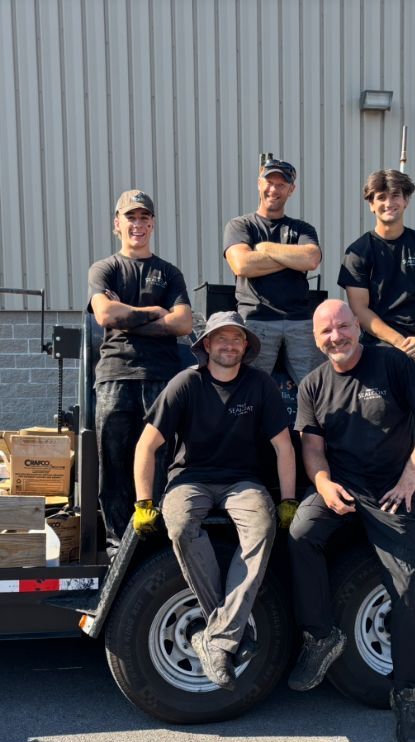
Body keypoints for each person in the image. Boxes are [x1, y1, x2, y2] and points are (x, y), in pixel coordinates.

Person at [287, 300, 415, 742]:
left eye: (343, 326)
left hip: (388, 492)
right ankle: (322, 638)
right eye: (326, 331)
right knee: (300, 534)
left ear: (357, 327)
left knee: (404, 587)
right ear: (316, 339)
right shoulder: (313, 385)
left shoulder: (391, 363)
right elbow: (312, 448)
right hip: (339, 488)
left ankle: (408, 694)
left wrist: (411, 473)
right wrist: (321, 483)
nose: (335, 336)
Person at [133, 311, 297, 691]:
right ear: (206, 345)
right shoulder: (186, 383)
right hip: (190, 479)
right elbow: (147, 446)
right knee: (180, 523)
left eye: (236, 339)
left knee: (262, 526)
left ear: (246, 346)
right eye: (220, 339)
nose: (228, 345)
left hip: (243, 482)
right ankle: (228, 635)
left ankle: (218, 639)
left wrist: (287, 500)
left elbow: (283, 447)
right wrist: (144, 502)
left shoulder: (260, 385)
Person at [338, 168, 415, 507]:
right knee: (384, 414)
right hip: (379, 347)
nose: (388, 203)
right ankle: (396, 474)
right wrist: (398, 343)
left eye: (395, 196)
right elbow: (361, 311)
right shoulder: (358, 252)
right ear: (371, 204)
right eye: (381, 197)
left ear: (406, 200)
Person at [88, 189, 193, 559]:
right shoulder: (105, 269)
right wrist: (155, 311)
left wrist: (131, 317)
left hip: (162, 378)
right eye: (130, 217)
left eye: (144, 217)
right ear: (118, 224)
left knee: (163, 462)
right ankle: (119, 545)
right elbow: (105, 316)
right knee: (115, 465)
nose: (137, 224)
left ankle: (157, 543)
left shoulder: (169, 272)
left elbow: (183, 323)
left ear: (152, 223)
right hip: (116, 377)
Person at [223, 157, 322, 384]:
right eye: (269, 182)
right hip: (257, 319)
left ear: (291, 189)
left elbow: (311, 259)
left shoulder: (302, 228)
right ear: (259, 184)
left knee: (318, 388)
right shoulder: (240, 225)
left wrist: (265, 248)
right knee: (247, 390)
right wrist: (291, 258)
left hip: (300, 321)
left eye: (281, 184)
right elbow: (243, 265)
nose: (273, 189)